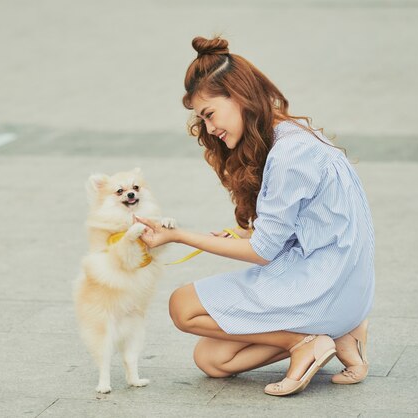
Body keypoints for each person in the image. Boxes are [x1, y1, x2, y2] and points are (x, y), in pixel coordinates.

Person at [136, 36, 374, 396]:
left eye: (209, 114)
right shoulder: (293, 137)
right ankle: (338, 335)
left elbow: (263, 252)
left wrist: (178, 235)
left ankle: (306, 343)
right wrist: (246, 237)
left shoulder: (290, 153)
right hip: (345, 286)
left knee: (182, 306)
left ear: (237, 95)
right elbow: (312, 227)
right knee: (212, 360)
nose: (210, 128)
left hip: (325, 284)